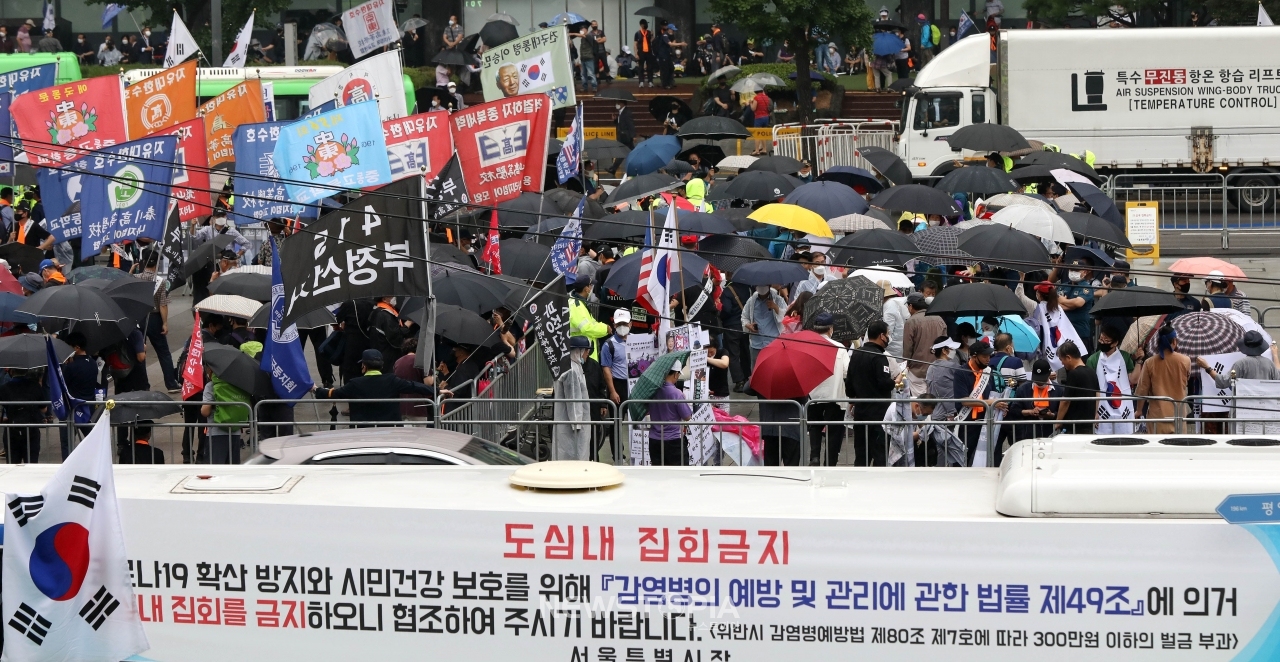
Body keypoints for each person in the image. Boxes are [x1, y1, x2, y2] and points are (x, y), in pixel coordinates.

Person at [315, 349, 444, 426]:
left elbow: (333, 394)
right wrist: (438, 391)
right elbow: (415, 386)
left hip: (363, 431)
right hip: (389, 429)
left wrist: (315, 389)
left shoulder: (355, 384)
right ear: (381, 366)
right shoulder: (392, 381)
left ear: (364, 366)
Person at [846, 321, 896, 466]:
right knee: (880, 454)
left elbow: (849, 382)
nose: (888, 337)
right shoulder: (880, 358)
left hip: (861, 412)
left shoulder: (856, 354)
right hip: (879, 414)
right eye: (888, 334)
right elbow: (884, 383)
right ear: (882, 336)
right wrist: (895, 380)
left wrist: (852, 399)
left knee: (861, 454)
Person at [807, 312, 850, 466]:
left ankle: (814, 456)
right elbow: (846, 371)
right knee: (834, 432)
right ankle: (830, 461)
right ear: (831, 329)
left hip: (814, 396)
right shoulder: (839, 348)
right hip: (835, 397)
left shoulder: (808, 347)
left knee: (814, 427)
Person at [134, 253, 180, 393]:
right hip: (154, 318)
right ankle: (171, 384)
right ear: (156, 265)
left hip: (139, 318)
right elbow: (163, 305)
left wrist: (131, 271)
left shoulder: (136, 278)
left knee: (140, 350)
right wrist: (165, 322)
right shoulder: (160, 281)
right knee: (163, 352)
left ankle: (143, 385)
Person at [953, 341, 1005, 465]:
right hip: (967, 422)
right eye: (984, 356)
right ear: (974, 356)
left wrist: (999, 405)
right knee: (962, 459)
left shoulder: (988, 372)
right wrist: (990, 402)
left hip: (985, 421)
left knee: (987, 457)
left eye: (989, 356)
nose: (988, 359)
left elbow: (992, 394)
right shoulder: (961, 372)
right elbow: (964, 400)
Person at [1135, 324, 1190, 433]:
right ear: (1174, 341)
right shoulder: (1185, 361)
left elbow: (1142, 389)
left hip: (1157, 418)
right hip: (1178, 416)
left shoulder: (1149, 363)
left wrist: (1139, 411)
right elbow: (1186, 381)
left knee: (1158, 448)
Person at [1087, 325, 1139, 434]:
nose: (1102, 342)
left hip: (1123, 405)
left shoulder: (1125, 357)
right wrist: (1094, 412)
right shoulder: (1093, 359)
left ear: (1115, 343)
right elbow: (1092, 389)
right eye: (1101, 339)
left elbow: (1133, 380)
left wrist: (1139, 361)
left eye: (1106, 341)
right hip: (1101, 407)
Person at [199, 363, 251, 464]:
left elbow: (205, 412)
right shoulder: (239, 385)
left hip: (216, 432)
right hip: (235, 431)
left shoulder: (212, 386)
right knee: (232, 467)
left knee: (215, 468)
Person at [552, 336, 594, 461]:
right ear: (579, 351)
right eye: (586, 350)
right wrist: (577, 424)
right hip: (573, 426)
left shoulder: (573, 366)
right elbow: (574, 400)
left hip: (570, 423)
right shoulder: (571, 370)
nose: (587, 353)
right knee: (573, 457)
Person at [648, 359, 692, 465]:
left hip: (654, 440)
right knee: (679, 476)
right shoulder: (676, 394)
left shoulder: (653, 391)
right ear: (676, 374)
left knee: (659, 475)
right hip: (673, 440)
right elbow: (687, 416)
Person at [1008, 359, 1062, 443]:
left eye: (1042, 379)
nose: (1039, 382)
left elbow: (1063, 411)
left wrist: (1052, 415)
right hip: (1028, 435)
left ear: (1049, 375)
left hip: (1051, 434)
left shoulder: (1059, 390)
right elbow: (1014, 410)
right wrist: (1030, 412)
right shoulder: (1024, 389)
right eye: (1037, 379)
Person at [1200, 330, 1280, 386]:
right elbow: (1278, 378)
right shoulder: (1269, 364)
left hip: (1243, 407)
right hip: (1265, 406)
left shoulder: (1240, 364)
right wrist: (1275, 355)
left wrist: (1207, 368)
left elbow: (1223, 382)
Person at [1054, 341, 1099, 434]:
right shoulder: (1091, 372)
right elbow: (1097, 394)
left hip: (1074, 426)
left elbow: (1065, 400)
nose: (1062, 364)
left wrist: (1058, 421)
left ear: (1068, 357)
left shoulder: (1073, 374)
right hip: (1088, 424)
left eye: (1062, 360)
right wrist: (1095, 413)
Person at [742, 284, 786, 365]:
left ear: (769, 285)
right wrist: (748, 325)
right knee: (756, 370)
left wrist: (776, 308)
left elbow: (786, 318)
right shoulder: (751, 301)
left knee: (774, 369)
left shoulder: (778, 300)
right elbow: (744, 317)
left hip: (773, 343)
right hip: (756, 344)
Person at [568, 277, 609, 359]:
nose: (591, 288)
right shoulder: (577, 306)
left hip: (585, 351)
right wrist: (605, 329)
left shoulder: (580, 302)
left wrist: (604, 327)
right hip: (582, 353)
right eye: (590, 285)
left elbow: (592, 322)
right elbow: (586, 328)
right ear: (586, 289)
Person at [601, 309, 631, 407]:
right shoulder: (608, 345)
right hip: (618, 384)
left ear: (630, 324)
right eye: (619, 324)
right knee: (618, 419)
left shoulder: (637, 341)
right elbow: (606, 370)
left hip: (634, 383)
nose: (622, 326)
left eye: (625, 323)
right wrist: (612, 391)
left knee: (636, 420)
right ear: (614, 325)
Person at [367, 295, 406, 367]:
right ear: (384, 299)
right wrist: (407, 325)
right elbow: (395, 336)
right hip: (388, 353)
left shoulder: (377, 310)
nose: (394, 298)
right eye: (391, 296)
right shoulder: (386, 315)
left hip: (379, 350)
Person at [880, 280, 908, 359]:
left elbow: (888, 331)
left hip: (892, 349)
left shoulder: (889, 307)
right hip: (898, 346)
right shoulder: (893, 303)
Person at [579, 21, 605, 93]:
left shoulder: (589, 36)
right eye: (581, 30)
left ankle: (594, 86)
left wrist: (570, 33)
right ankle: (585, 87)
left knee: (591, 73)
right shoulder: (582, 39)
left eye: (583, 29)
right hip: (583, 58)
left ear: (586, 30)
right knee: (583, 74)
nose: (581, 31)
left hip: (589, 58)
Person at [634, 19, 656, 88]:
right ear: (641, 25)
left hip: (649, 52)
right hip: (641, 52)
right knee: (641, 67)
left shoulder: (649, 32)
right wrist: (636, 54)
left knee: (650, 67)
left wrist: (652, 36)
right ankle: (641, 82)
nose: (646, 25)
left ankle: (650, 81)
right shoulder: (637, 33)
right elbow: (635, 44)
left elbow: (651, 41)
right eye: (644, 24)